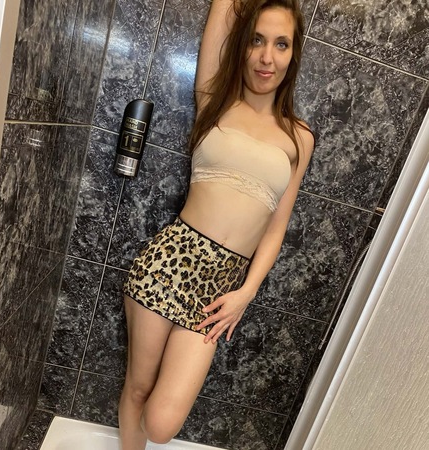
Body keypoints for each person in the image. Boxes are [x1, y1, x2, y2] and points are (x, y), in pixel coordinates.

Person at [118, 0, 314, 448]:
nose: (266, 57)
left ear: (293, 54)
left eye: (281, 44)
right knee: (138, 387)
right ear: (242, 46)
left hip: (220, 290)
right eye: (256, 40)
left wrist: (246, 293)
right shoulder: (214, 99)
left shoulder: (299, 137)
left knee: (162, 424)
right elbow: (224, 10)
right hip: (168, 264)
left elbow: (276, 227)